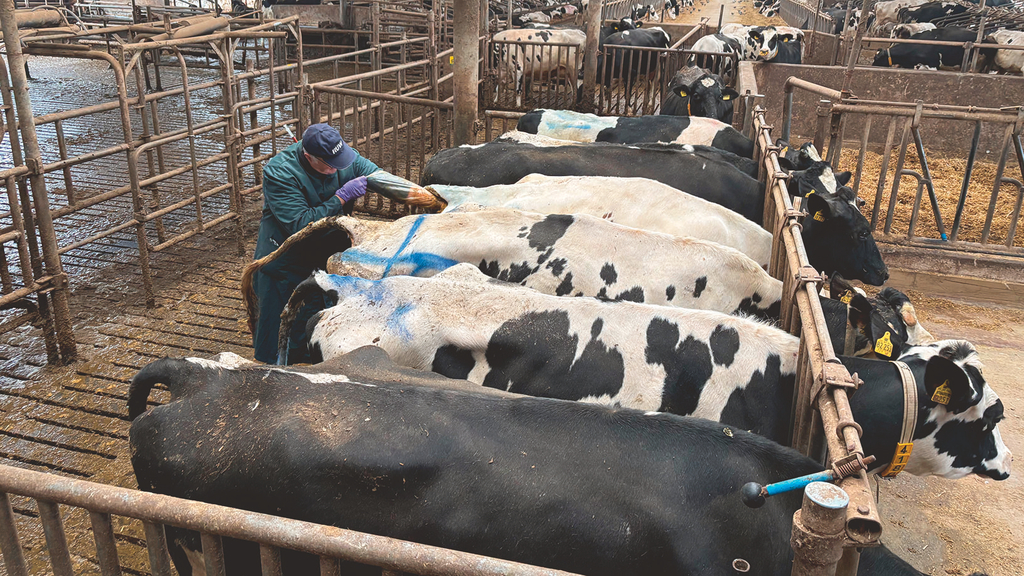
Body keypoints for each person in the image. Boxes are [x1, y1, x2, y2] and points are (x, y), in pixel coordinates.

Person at [251, 123, 379, 364]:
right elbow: (301, 224)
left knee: (320, 327)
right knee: (282, 334)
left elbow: (376, 174)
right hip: (287, 260)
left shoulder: (339, 156)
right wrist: (341, 196)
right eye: (330, 164)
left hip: (325, 256)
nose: (337, 167)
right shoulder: (280, 172)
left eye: (340, 161)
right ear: (308, 156)